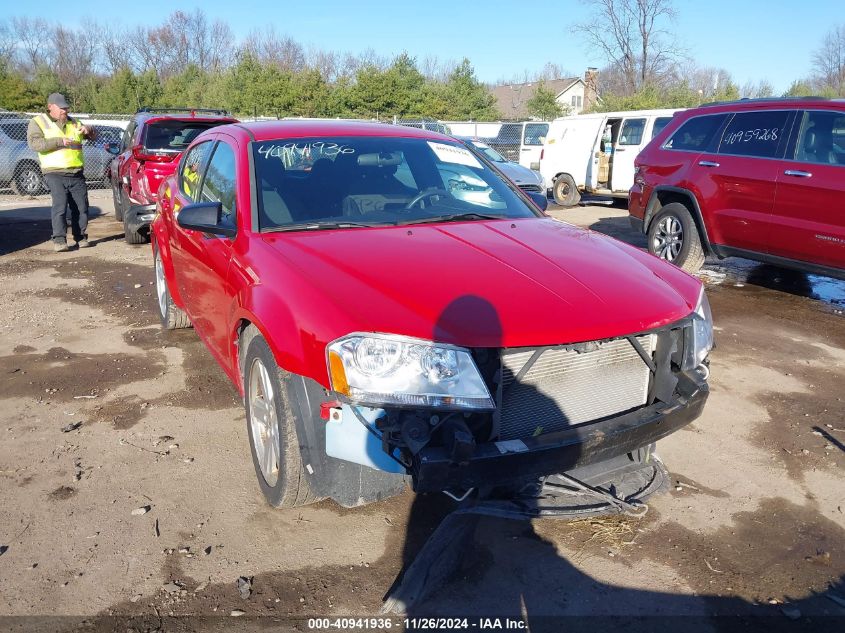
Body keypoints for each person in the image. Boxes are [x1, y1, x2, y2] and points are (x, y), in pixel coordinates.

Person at [26, 93, 96, 252]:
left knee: (81, 207)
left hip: (76, 172)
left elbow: (92, 136)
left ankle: (81, 237)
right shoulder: (38, 122)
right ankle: (59, 240)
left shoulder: (74, 122)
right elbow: (35, 144)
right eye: (62, 107)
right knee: (60, 206)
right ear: (51, 106)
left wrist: (88, 130)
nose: (65, 110)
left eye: (66, 107)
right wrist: (59, 141)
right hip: (54, 172)